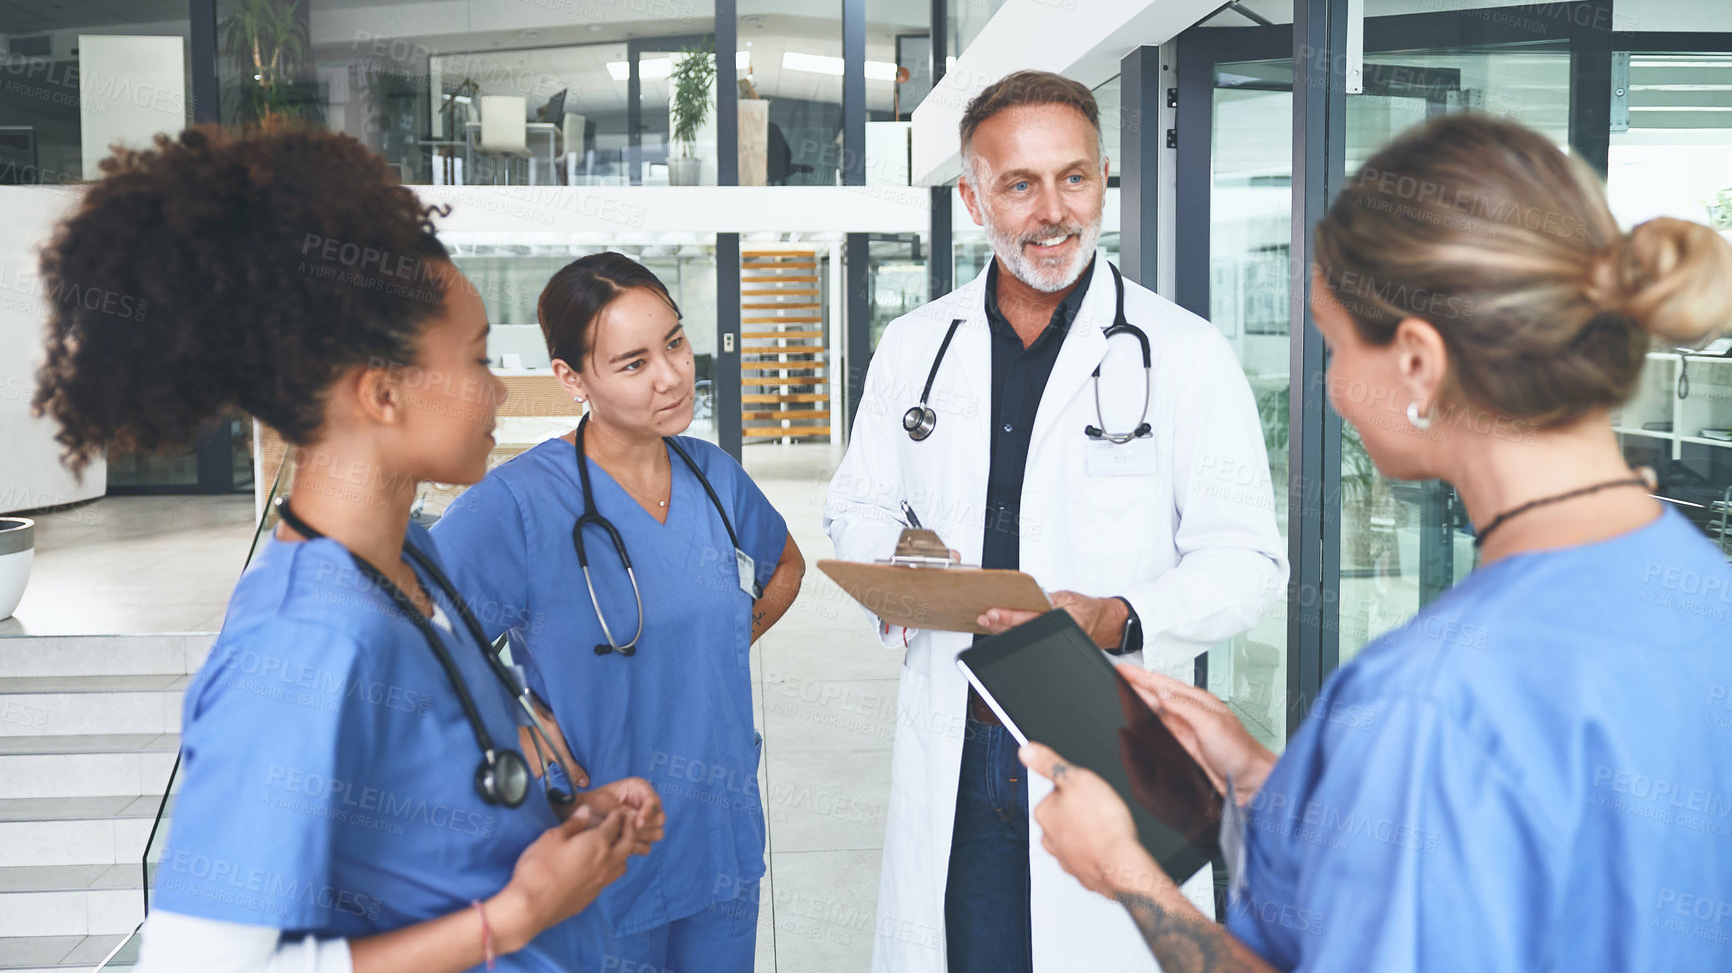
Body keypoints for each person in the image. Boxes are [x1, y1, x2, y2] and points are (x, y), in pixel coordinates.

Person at [1019, 113, 1732, 972]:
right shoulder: (1700, 590)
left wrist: (1124, 871)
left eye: (1334, 342)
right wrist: (1269, 785)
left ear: (1420, 364)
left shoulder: (1426, 700)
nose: (1332, 386)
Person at [32, 127, 665, 972]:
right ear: (383, 391)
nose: (497, 390)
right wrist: (507, 919)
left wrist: (565, 819)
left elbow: (432, 816)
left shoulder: (412, 557)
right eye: (477, 359)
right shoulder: (303, 643)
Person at [823, 70, 1287, 973]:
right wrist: (897, 569)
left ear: (1106, 179)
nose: (1053, 211)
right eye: (1019, 184)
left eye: (1074, 177)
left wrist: (1117, 614)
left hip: (1100, 722)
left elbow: (1248, 562)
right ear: (971, 196)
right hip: (961, 732)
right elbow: (859, 500)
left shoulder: (1183, 355)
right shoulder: (918, 346)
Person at [432, 252, 805, 972]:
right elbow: (411, 639)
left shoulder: (714, 474)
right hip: (593, 854)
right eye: (633, 363)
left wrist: (723, 638)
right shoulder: (518, 505)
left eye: (674, 341)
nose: (671, 375)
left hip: (717, 844)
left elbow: (783, 567)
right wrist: (525, 732)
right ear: (572, 378)